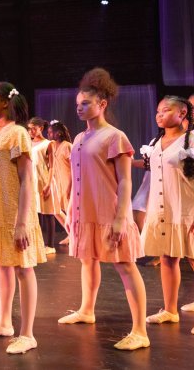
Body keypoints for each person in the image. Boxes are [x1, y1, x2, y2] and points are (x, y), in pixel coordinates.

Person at [58, 67, 149, 351]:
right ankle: (87, 309)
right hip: (85, 214)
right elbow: (77, 178)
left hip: (109, 214)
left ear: (102, 104)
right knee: (88, 260)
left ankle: (140, 330)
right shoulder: (79, 139)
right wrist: (72, 208)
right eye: (77, 105)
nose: (80, 109)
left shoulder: (115, 137)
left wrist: (121, 219)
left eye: (86, 104)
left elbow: (124, 181)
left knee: (125, 265)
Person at [0, 82, 45, 355]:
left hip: (15, 213)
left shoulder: (17, 133)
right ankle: (4, 323)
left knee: (23, 269)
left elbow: (27, 179)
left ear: (4, 102)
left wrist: (22, 222)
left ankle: (27, 333)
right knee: (3, 266)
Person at [141, 96, 194, 331]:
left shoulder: (191, 139)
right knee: (167, 257)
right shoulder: (156, 141)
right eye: (157, 111)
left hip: (187, 209)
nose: (159, 114)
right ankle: (170, 310)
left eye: (165, 110)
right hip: (163, 208)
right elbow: (149, 166)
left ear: (182, 113)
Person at [28, 117, 57, 254]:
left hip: (44, 180)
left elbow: (52, 166)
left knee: (47, 213)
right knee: (34, 213)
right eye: (29, 128)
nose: (31, 131)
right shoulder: (27, 143)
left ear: (41, 128)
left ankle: (50, 245)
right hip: (31, 181)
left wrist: (49, 184)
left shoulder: (48, 144)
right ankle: (37, 243)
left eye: (34, 128)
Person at [45, 120, 72, 246]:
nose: (49, 134)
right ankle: (71, 233)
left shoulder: (67, 146)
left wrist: (70, 186)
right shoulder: (52, 146)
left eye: (51, 132)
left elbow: (74, 167)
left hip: (67, 181)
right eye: (48, 132)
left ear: (59, 133)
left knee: (69, 210)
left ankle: (74, 235)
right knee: (55, 210)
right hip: (57, 182)